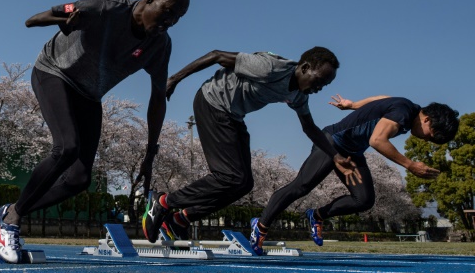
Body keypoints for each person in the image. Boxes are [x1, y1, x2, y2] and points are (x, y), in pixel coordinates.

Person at [0, 0, 191, 263]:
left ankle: (13, 207)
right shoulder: (105, 7)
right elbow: (33, 19)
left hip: (89, 95)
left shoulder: (160, 46)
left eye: (177, 18)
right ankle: (10, 221)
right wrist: (64, 21)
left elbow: (156, 100)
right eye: (168, 11)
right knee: (66, 147)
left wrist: (151, 152)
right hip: (54, 72)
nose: (169, 22)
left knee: (79, 179)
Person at [142, 47, 351, 243]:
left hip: (233, 116)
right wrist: (174, 79)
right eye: (319, 81)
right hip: (212, 102)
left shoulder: (298, 95)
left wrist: (334, 155)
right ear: (305, 68)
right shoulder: (269, 67)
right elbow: (216, 56)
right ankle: (163, 203)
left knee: (244, 183)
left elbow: (309, 127)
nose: (319, 88)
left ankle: (181, 219)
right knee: (229, 175)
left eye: (325, 85)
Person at [248, 94, 459, 255]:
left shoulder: (408, 107)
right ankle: (262, 225)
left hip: (352, 152)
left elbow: (382, 99)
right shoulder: (403, 113)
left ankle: (317, 215)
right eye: (430, 137)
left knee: (364, 199)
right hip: (333, 142)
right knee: (302, 185)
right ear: (428, 119)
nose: (426, 140)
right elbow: (377, 140)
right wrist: (410, 165)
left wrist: (353, 105)